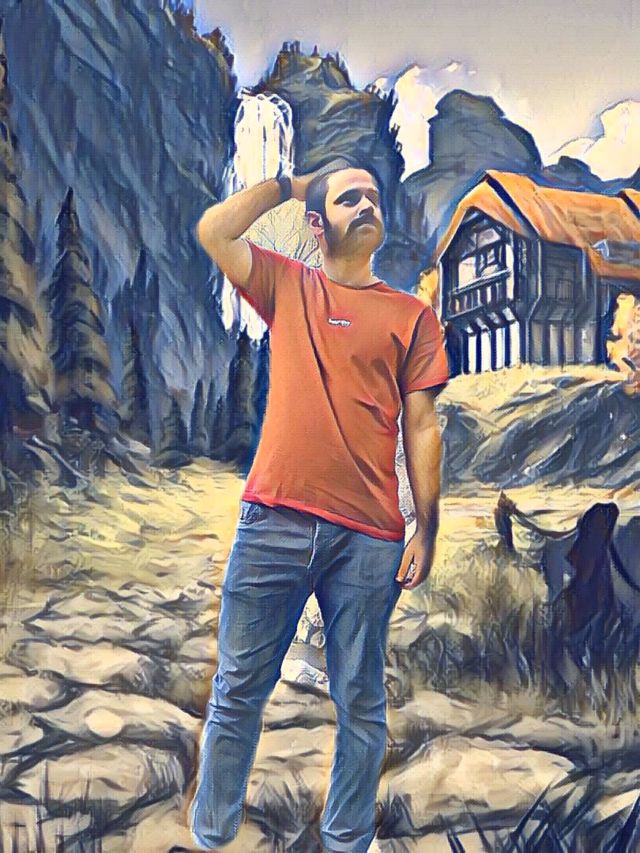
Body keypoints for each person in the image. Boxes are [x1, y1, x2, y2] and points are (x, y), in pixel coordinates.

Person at [189, 156, 449, 852]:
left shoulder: (413, 317)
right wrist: (288, 185)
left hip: (369, 538)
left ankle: (345, 840)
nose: (366, 206)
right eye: (347, 198)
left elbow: (424, 427)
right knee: (238, 688)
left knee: (361, 702)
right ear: (316, 223)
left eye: (373, 197)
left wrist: (426, 527)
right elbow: (214, 231)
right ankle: (211, 834)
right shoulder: (287, 285)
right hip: (272, 521)